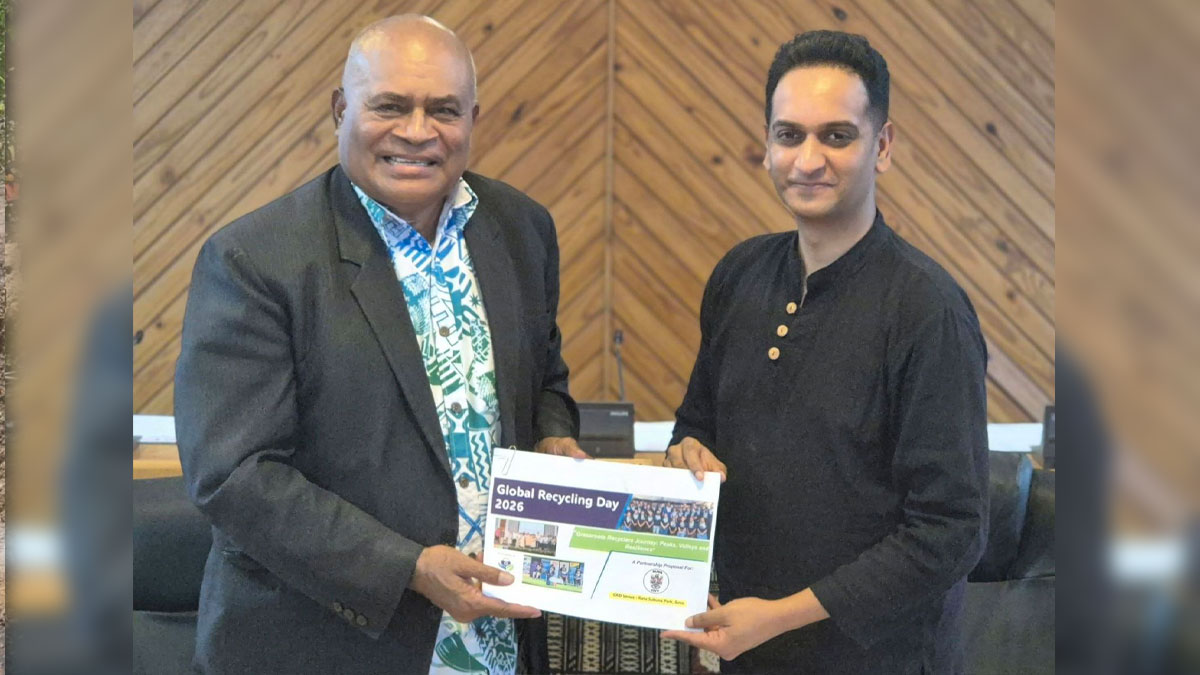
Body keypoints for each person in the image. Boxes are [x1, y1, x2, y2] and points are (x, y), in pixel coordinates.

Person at [174, 14, 586, 675]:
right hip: (322, 647)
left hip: (497, 644)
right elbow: (235, 475)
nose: (418, 132)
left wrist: (553, 436)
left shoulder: (522, 228)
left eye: (443, 110)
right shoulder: (254, 260)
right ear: (341, 110)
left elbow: (542, 378)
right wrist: (409, 567)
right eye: (390, 106)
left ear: (473, 119)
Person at [661, 30, 988, 673]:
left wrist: (778, 615)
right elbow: (695, 424)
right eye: (789, 135)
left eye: (836, 136)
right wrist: (687, 451)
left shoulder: (929, 311)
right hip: (745, 648)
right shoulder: (738, 274)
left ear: (882, 146)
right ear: (767, 145)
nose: (808, 160)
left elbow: (950, 532)